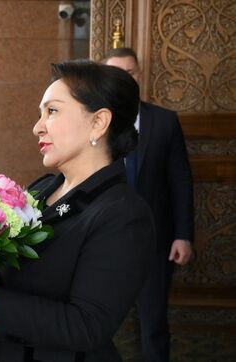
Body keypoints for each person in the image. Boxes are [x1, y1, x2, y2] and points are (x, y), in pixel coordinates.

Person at [0, 60, 155, 362]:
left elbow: (86, 326)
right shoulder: (41, 189)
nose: (37, 127)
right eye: (40, 113)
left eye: (52, 111)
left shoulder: (123, 214)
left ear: (98, 122)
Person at [104, 47, 194, 362]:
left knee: (154, 323)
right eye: (116, 73)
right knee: (97, 322)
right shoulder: (93, 122)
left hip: (155, 242)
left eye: (130, 72)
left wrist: (183, 235)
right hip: (104, 243)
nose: (124, 78)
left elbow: (180, 181)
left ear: (139, 75)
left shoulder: (165, 121)